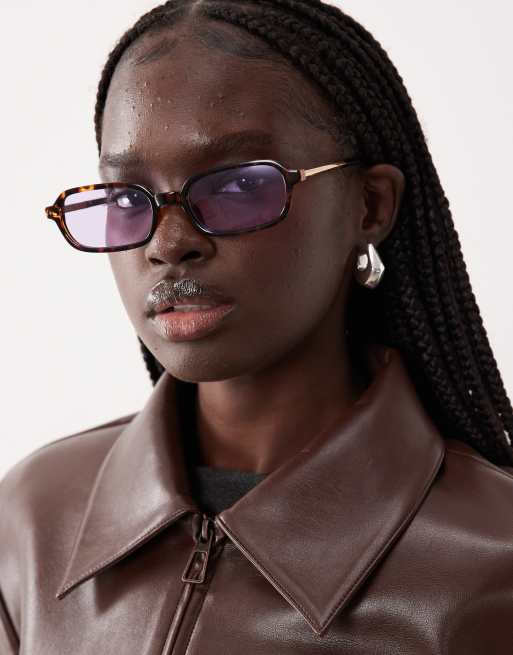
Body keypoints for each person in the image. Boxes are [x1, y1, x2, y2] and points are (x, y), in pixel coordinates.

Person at [1, 0, 513, 652]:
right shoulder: (32, 521)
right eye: (129, 197)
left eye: (237, 186)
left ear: (369, 205)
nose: (168, 243)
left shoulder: (492, 564)